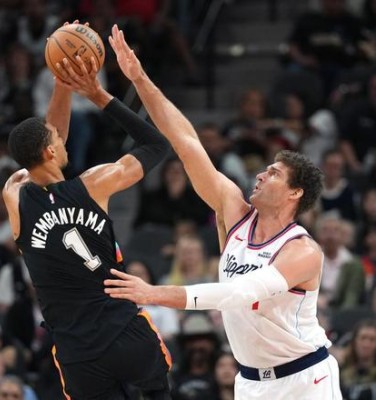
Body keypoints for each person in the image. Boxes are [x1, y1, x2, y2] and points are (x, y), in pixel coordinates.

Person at [103, 24, 342, 399]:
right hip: (249, 382)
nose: (261, 174)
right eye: (265, 169)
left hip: (304, 380)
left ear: (295, 192)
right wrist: (140, 79)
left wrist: (154, 293)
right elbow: (186, 142)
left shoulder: (302, 251)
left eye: (274, 173)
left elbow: (240, 293)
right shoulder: (234, 213)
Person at [2, 27, 172, 398]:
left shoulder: (14, 195)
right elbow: (156, 145)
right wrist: (97, 95)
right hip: (124, 331)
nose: (62, 142)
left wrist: (61, 84)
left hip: (77, 353)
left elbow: (47, 141)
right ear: (51, 151)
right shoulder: (95, 184)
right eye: (56, 142)